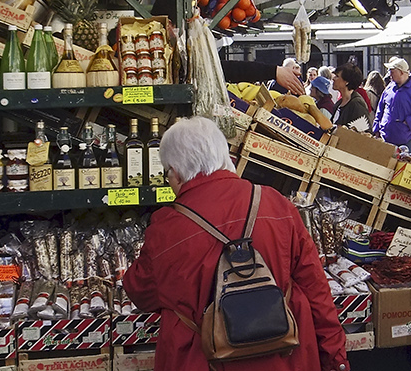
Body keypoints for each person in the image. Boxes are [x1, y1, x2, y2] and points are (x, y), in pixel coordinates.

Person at [122, 116, 349, 371]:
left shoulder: (166, 227)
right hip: (284, 359)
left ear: (175, 172)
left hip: (202, 361)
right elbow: (316, 290)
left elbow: (140, 292)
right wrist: (335, 358)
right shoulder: (276, 204)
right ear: (224, 155)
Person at [373, 57, 411, 149]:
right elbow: (380, 108)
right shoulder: (389, 87)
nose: (389, 74)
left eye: (392, 71)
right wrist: (376, 127)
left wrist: (408, 122)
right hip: (385, 137)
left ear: (402, 72)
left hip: (405, 139)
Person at [331, 64, 372, 128]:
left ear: (347, 82)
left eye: (337, 76)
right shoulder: (339, 103)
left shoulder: (356, 104)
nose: (333, 78)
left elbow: (364, 133)